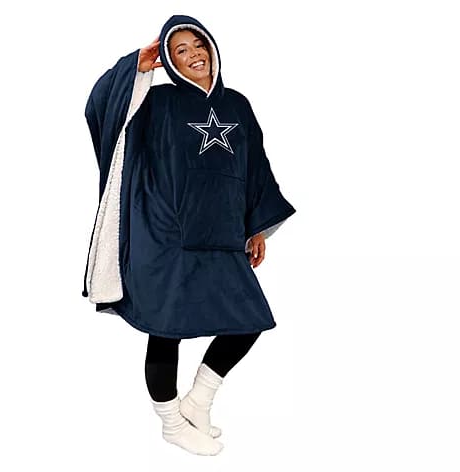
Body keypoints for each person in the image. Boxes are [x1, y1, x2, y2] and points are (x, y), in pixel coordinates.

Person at [81, 15, 296, 456]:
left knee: (249, 320)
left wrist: (257, 227)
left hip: (222, 235)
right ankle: (171, 423)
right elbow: (102, 109)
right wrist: (135, 67)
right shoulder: (156, 102)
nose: (194, 54)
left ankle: (197, 402)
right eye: (180, 50)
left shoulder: (237, 105)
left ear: (211, 48)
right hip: (167, 237)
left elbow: (255, 166)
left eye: (198, 44)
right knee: (167, 329)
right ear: (170, 60)